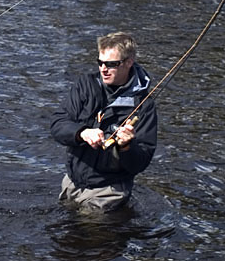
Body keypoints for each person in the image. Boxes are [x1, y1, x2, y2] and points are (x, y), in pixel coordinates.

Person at [50, 32, 158, 212]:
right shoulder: (85, 85)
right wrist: (82, 132)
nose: (103, 69)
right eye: (100, 62)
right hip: (71, 183)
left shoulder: (144, 105)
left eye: (111, 64)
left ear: (128, 62)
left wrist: (126, 147)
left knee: (94, 235)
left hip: (109, 191)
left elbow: (140, 162)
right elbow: (57, 124)